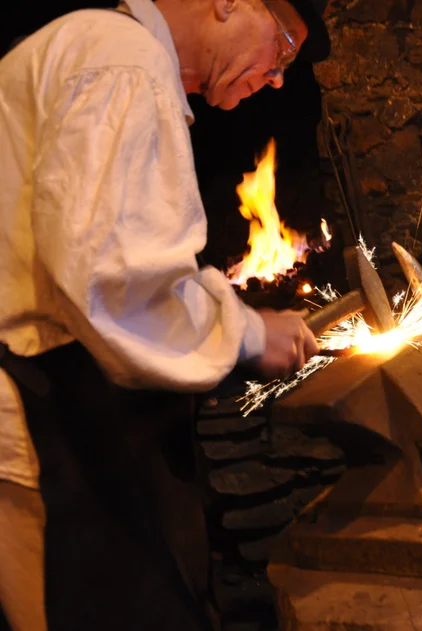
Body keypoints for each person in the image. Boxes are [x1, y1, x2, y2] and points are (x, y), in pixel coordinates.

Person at [0, 0, 329, 629]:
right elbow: (112, 282)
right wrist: (249, 333)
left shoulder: (98, 48)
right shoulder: (120, 61)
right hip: (48, 423)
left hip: (63, 408)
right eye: (283, 45)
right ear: (229, 2)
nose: (277, 77)